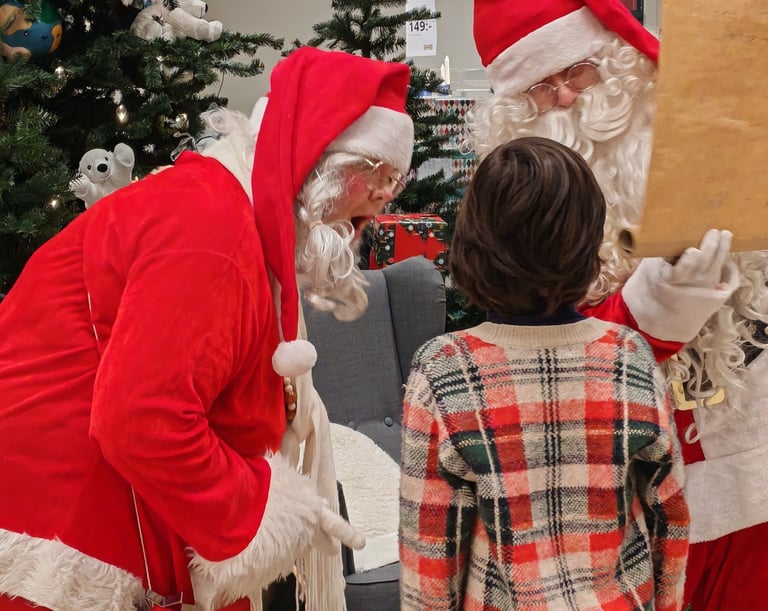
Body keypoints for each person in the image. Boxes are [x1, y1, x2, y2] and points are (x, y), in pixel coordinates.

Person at [0, 46, 414, 611]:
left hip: (109, 501)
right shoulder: (210, 228)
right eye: (377, 172)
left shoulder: (230, 214)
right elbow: (143, 419)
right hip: (71, 525)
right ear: (322, 160)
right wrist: (261, 511)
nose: (388, 195)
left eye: (398, 178)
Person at [468, 1, 768, 609]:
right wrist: (652, 311)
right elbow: (538, 352)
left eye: (575, 71)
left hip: (753, 469)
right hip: (624, 498)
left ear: (618, 62)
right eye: (539, 88)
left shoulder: (715, 144)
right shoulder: (518, 211)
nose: (565, 98)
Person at [399, 136, 689, 611]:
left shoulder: (443, 369)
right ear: (589, 242)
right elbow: (669, 515)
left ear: (472, 240)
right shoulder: (627, 354)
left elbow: (430, 552)